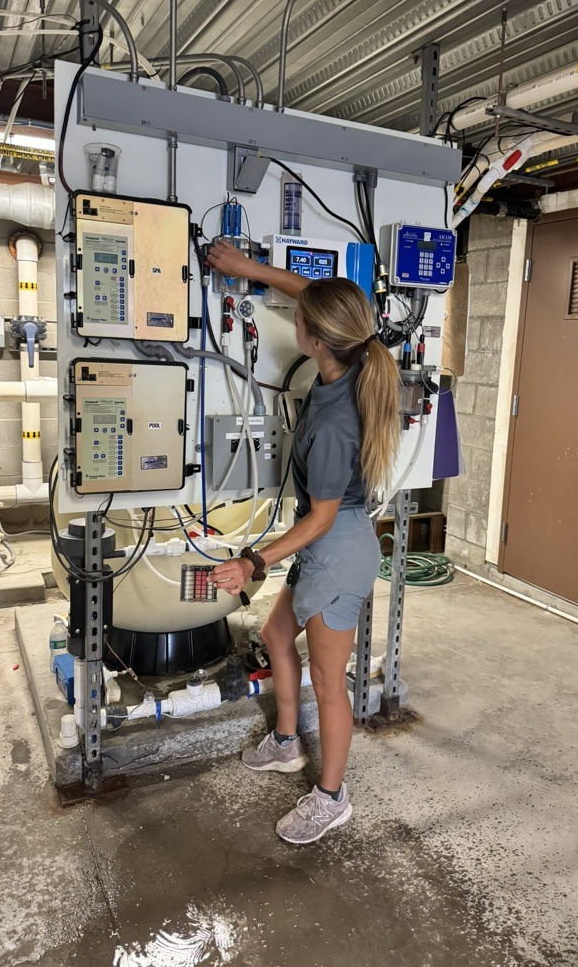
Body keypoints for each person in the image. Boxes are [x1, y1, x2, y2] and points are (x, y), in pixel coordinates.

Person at [207, 239, 400, 844]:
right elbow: (308, 296)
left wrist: (253, 561)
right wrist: (248, 270)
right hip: (327, 541)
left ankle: (331, 796)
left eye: (301, 323)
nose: (293, 320)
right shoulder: (356, 356)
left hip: (337, 548)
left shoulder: (339, 421)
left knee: (329, 681)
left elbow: (318, 520)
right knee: (272, 635)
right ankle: (288, 744)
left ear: (316, 340)